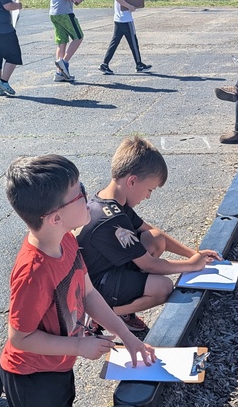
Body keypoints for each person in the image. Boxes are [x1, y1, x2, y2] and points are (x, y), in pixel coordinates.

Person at [0, 154, 155, 407]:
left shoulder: (67, 239)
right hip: (30, 371)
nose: (87, 194)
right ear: (55, 218)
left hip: (59, 360)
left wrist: (128, 337)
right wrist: (80, 346)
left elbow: (89, 293)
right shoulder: (33, 272)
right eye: (79, 192)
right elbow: (20, 337)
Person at [77, 136, 221, 333]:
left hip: (106, 271)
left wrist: (193, 254)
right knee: (163, 288)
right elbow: (149, 265)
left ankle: (118, 308)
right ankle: (100, 316)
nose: (148, 196)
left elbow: (152, 232)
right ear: (132, 181)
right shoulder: (111, 218)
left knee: (156, 239)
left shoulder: (111, 200)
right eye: (149, 189)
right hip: (93, 287)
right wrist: (192, 265)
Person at [99, 0, 152, 75]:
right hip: (125, 19)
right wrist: (129, 6)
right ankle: (139, 64)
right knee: (133, 42)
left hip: (119, 19)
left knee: (115, 42)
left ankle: (105, 64)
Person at [49, 0, 84, 83]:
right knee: (79, 36)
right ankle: (64, 63)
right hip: (64, 12)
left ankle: (60, 73)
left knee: (61, 41)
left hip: (54, 13)